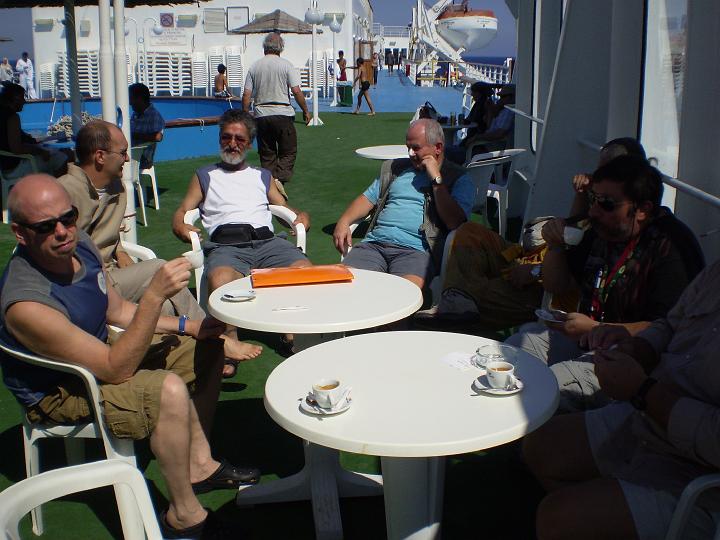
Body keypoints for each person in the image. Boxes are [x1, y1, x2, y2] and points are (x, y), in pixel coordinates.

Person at [0, 175, 259, 539]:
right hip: (60, 389)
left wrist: (189, 326)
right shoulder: (27, 303)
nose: (62, 231)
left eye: (68, 217)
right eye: (46, 226)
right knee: (168, 390)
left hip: (100, 352)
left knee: (210, 348)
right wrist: (153, 297)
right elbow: (116, 369)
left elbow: (117, 310)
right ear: (20, 233)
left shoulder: (79, 244)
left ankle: (198, 465)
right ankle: (183, 518)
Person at [522, 258, 720, 540]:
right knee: (539, 446)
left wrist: (642, 391)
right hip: (648, 420)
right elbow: (670, 325)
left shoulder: (670, 250)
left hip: (698, 477)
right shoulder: (715, 272)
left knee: (555, 518)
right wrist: (635, 348)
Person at [58, 120, 261, 378]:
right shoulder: (65, 193)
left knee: (164, 303)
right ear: (100, 156)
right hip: (85, 283)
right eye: (123, 152)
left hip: (112, 275)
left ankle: (193, 361)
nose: (127, 159)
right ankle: (216, 339)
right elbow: (66, 249)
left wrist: (122, 255)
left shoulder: (116, 186)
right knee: (160, 269)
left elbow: (107, 235)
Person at [506, 154, 705, 409]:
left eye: (607, 203)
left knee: (551, 386)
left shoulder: (673, 248)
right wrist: (555, 246)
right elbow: (556, 285)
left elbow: (670, 329)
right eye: (594, 199)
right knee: (515, 350)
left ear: (643, 210)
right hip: (588, 341)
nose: (593, 211)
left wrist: (595, 327)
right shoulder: (602, 229)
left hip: (631, 362)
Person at [172, 109, 311, 302]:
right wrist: (179, 225)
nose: (232, 144)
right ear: (220, 139)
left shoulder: (262, 175)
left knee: (305, 273)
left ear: (249, 143)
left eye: (239, 139)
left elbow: (282, 206)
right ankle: (224, 324)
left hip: (268, 244)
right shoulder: (205, 175)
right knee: (221, 281)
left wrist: (301, 215)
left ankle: (289, 322)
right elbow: (183, 210)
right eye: (226, 137)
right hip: (226, 247)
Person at [333, 118, 475, 289]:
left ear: (437, 147)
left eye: (416, 148)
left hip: (416, 252)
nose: (410, 153)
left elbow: (454, 222)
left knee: (404, 294)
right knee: (345, 287)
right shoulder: (396, 169)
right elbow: (367, 199)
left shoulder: (459, 178)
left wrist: (436, 180)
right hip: (374, 246)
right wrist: (344, 221)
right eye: (408, 147)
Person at [242, 32, 310, 186]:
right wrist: (306, 111)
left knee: (267, 154)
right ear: (281, 48)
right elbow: (296, 91)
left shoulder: (254, 67)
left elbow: (246, 94)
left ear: (264, 47)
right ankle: (280, 180)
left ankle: (271, 183)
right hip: (283, 114)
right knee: (288, 151)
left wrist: (245, 115)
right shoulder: (286, 65)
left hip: (261, 115)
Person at [0, 82, 68, 178]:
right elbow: (16, 148)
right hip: (15, 167)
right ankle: (55, 186)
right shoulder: (12, 118)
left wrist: (49, 138)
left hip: (5, 165)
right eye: (22, 98)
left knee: (55, 154)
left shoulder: (2, 115)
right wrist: (40, 151)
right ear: (15, 99)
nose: (24, 101)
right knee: (61, 158)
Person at [128, 83, 164, 170]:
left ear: (140, 98)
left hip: (142, 159)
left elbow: (158, 137)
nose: (130, 102)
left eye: (131, 98)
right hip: (132, 155)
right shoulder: (136, 114)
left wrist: (134, 135)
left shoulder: (154, 115)